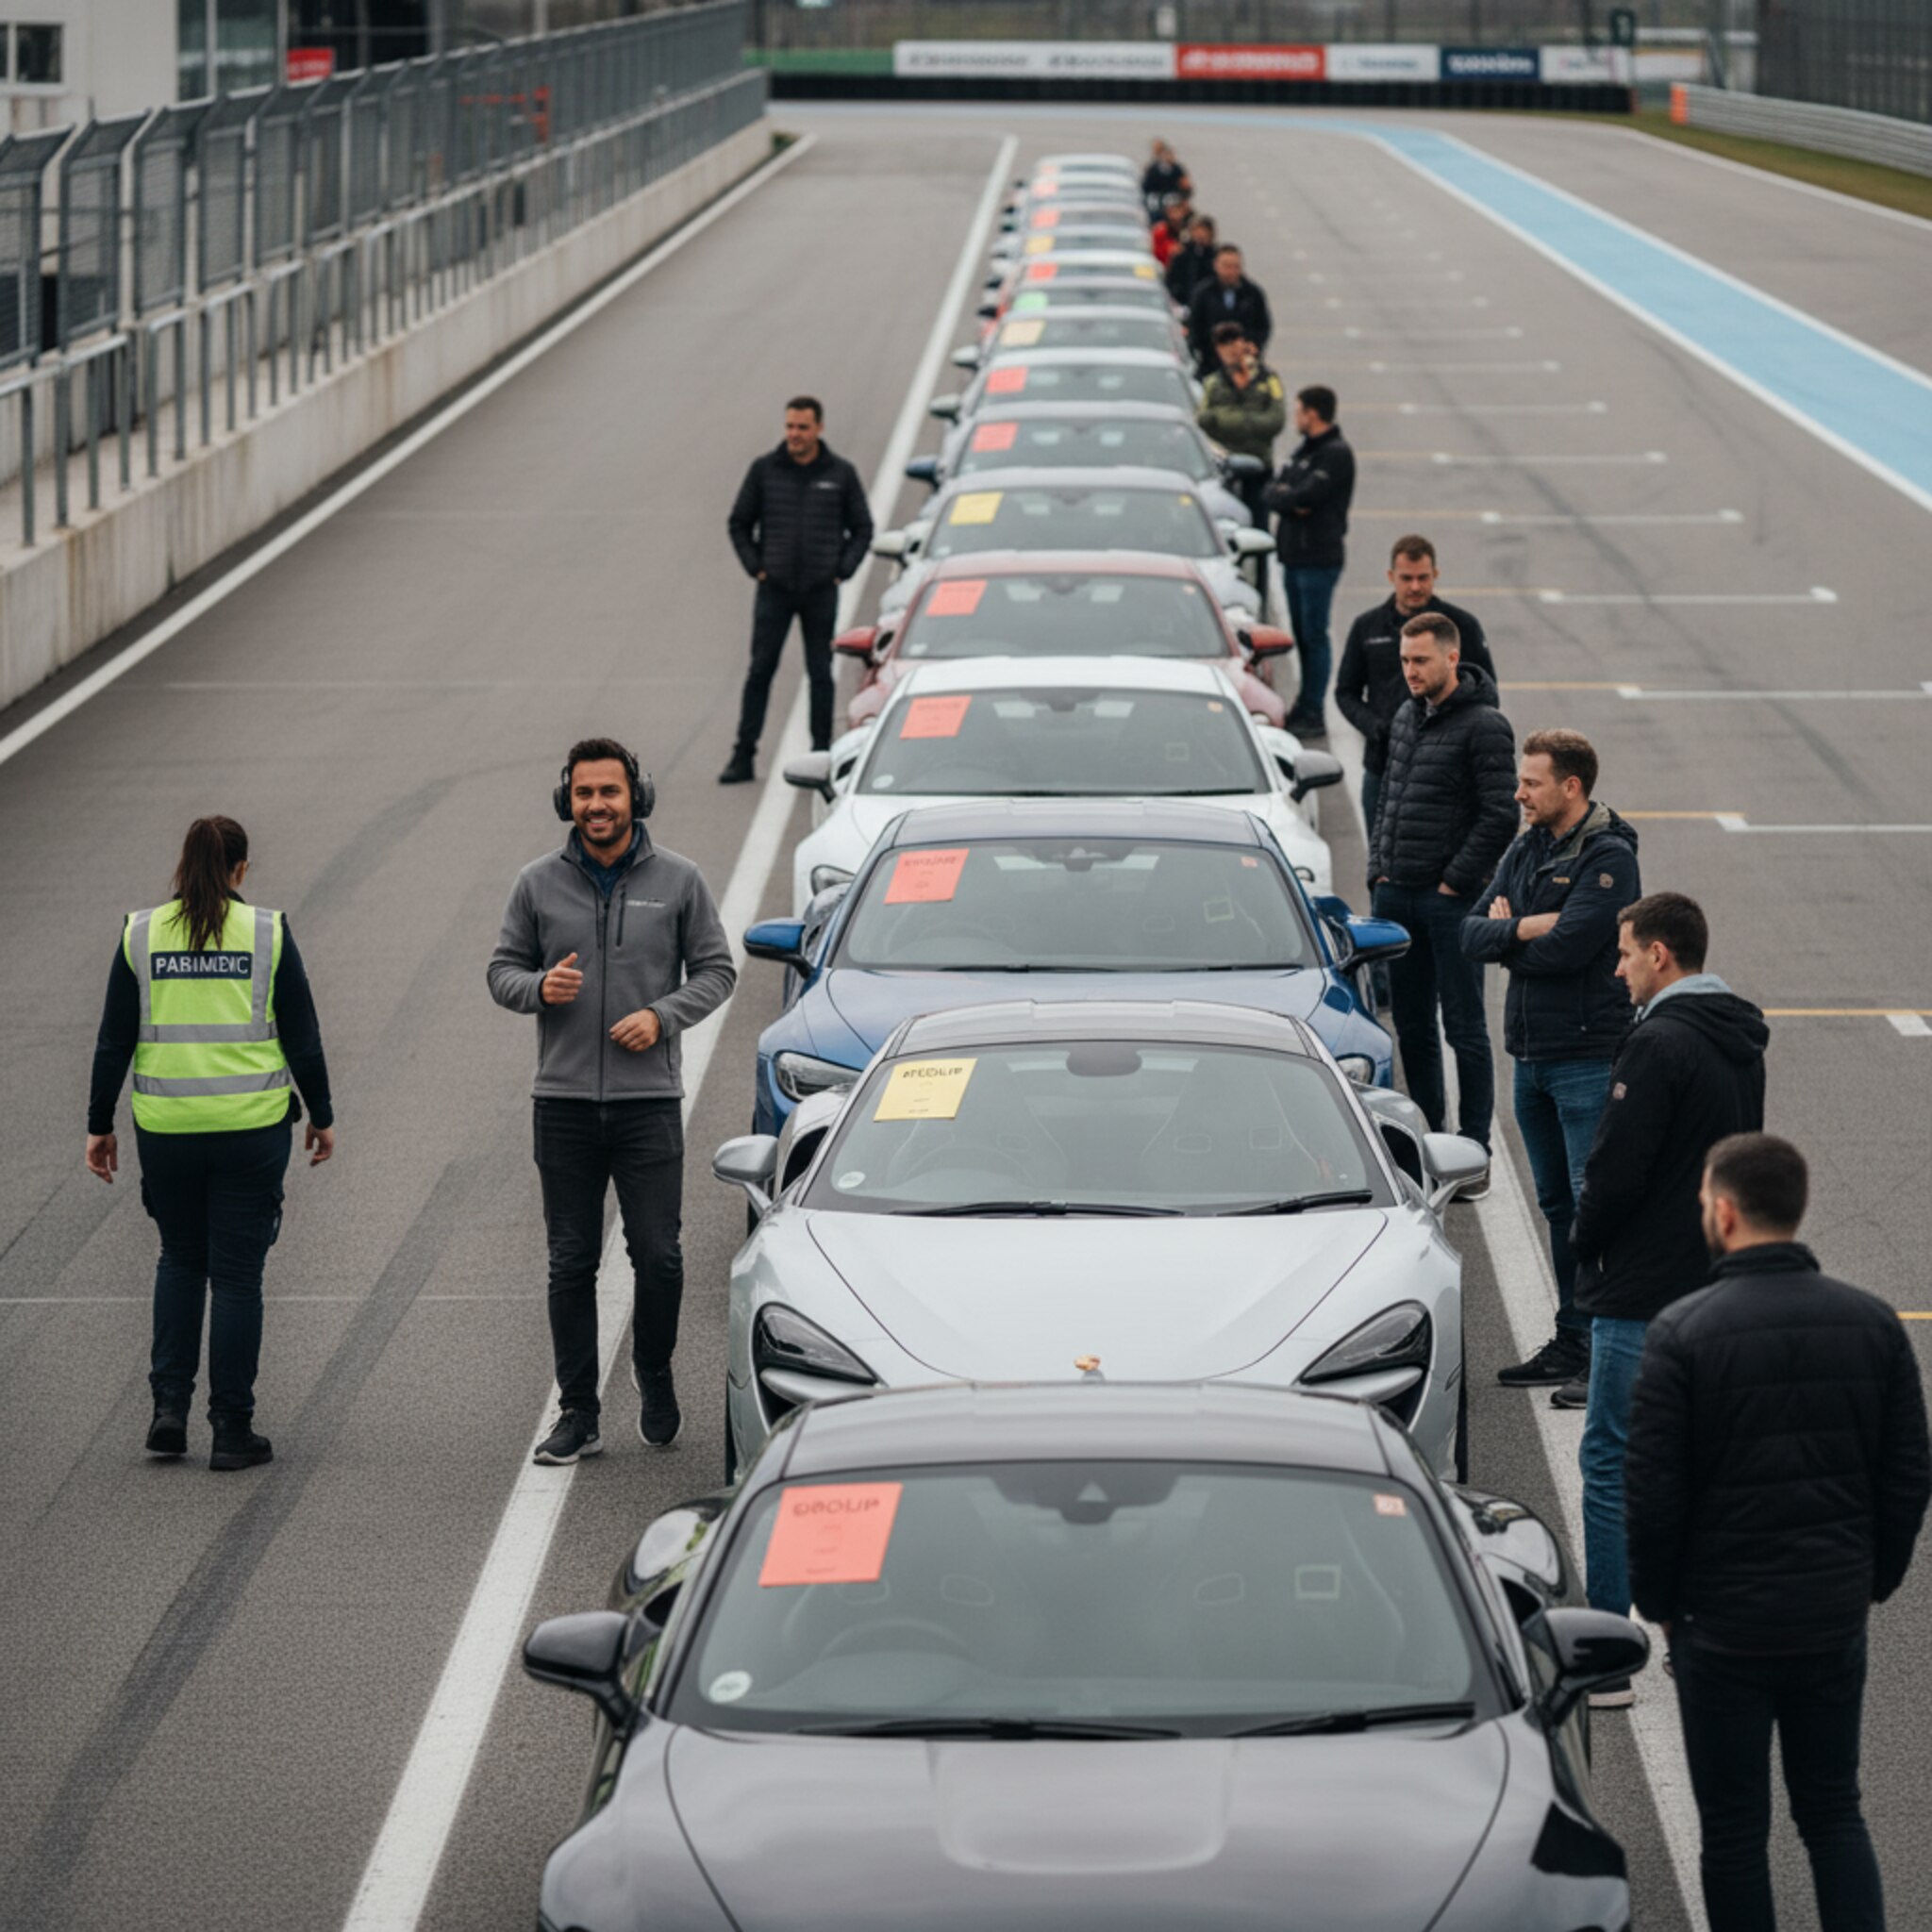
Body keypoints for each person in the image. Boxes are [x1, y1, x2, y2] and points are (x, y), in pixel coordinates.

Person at [1626, 1134, 1929, 1931]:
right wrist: (1872, 1579)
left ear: (1725, 1214)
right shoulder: (1872, 1325)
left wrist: (1660, 1604)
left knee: (1733, 1833)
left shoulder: (1681, 1333)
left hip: (1720, 1629)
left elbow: (1653, 1494)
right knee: (1832, 1812)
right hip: (1831, 1614)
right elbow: (1907, 1476)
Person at [489, 739, 736, 1465]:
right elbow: (501, 970)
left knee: (658, 1257)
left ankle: (653, 1374)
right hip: (562, 1105)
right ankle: (579, 1413)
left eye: (611, 792)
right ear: (568, 799)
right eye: (586, 793)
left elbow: (717, 971)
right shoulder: (535, 885)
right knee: (570, 1263)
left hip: (648, 1104)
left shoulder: (680, 880)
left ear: (638, 797)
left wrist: (663, 1015)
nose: (598, 805)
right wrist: (538, 989)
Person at [86, 815, 335, 1472]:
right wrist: (322, 1113)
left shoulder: (140, 933)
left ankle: (168, 1410)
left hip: (167, 1130)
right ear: (241, 870)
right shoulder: (266, 931)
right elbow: (303, 1035)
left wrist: (99, 1125)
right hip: (250, 1130)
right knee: (237, 1277)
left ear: (184, 864)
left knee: (179, 1259)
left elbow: (114, 1038)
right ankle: (231, 1428)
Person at [1570, 891, 1768, 1700]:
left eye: (1624, 953)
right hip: (1716, 1279)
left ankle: (1609, 1654)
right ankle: (1700, 1642)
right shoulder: (1740, 1036)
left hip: (1642, 1286)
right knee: (1704, 1464)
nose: (1616, 968)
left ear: (1660, 955)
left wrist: (1585, 1242)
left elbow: (1618, 1169)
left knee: (1612, 1458)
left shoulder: (1656, 1044)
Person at [1461, 731, 1639, 1394]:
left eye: (1531, 783)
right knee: (1558, 1205)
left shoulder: (1610, 858)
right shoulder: (1526, 844)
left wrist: (1513, 932)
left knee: (1594, 1207)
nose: (1518, 793)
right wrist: (1525, 927)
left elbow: (1568, 951)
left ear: (1571, 787)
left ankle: (1603, 1350)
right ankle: (1573, 1337)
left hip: (1587, 1056)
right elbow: (1469, 932)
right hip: (1531, 1056)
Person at [1369, 613, 1517, 1158]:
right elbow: (1387, 797)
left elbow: (1501, 815)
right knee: (1411, 1027)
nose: (1410, 670)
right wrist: (1377, 868)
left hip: (1449, 904)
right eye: (1405, 660)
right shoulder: (1407, 715)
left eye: (1420, 660)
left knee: (1464, 1029)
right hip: (1396, 894)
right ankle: (1430, 1142)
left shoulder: (1485, 725)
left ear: (1452, 659)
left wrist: (1455, 882)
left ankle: (1473, 1150)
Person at [721, 396, 873, 785]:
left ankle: (822, 756)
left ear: (819, 428)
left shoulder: (840, 474)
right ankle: (743, 755)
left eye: (802, 428)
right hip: (775, 589)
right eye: (790, 426)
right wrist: (756, 567)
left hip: (821, 590)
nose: (795, 435)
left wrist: (843, 570)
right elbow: (739, 522)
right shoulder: (765, 470)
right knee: (760, 671)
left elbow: (862, 528)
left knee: (820, 674)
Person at [1335, 535, 1496, 832]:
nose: (1415, 587)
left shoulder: (1463, 626)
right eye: (1406, 578)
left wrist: (1452, 732)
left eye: (1423, 578)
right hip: (1383, 767)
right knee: (1381, 862)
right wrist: (1376, 728)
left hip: (1447, 772)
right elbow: (1346, 692)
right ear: (1390, 577)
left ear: (1435, 575)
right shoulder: (1366, 627)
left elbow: (1487, 694)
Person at [1266, 385, 1357, 739]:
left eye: (1299, 409)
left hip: (1318, 558)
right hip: (1293, 556)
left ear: (1314, 413)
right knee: (1302, 634)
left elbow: (1308, 496)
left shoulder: (1335, 454)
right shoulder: (1304, 450)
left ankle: (1314, 708)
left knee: (1315, 635)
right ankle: (1305, 703)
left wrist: (1292, 497)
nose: (1295, 416)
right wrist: (1289, 498)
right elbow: (1274, 492)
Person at [1196, 323, 1285, 524]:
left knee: (1259, 522)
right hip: (1226, 467)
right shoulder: (1213, 383)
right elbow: (1204, 420)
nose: (1230, 352)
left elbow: (1275, 420)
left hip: (1260, 464)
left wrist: (1229, 421)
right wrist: (1245, 420)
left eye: (1234, 344)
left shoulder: (1268, 380)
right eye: (1224, 346)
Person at [1186, 243, 1273, 377]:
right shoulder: (1203, 293)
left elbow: (1263, 326)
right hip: (1210, 365)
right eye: (1227, 266)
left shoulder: (1253, 294)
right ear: (1216, 265)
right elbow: (1194, 328)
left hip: (1245, 366)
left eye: (1236, 266)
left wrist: (1250, 345)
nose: (1231, 272)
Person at [1164, 212, 1218, 306]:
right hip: (1183, 302)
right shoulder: (1182, 254)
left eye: (1205, 231)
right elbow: (1171, 279)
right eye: (1197, 230)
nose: (1200, 235)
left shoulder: (1216, 257)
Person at [1141, 140, 1190, 219]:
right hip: (1155, 198)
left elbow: (1186, 185)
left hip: (1172, 198)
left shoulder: (1177, 169)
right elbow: (1146, 185)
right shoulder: (1153, 167)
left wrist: (1184, 198)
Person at [1150, 192, 1191, 268]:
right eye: (1172, 211)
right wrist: (1169, 251)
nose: (1176, 215)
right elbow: (1154, 252)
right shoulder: (1159, 231)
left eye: (1178, 209)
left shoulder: (1189, 230)